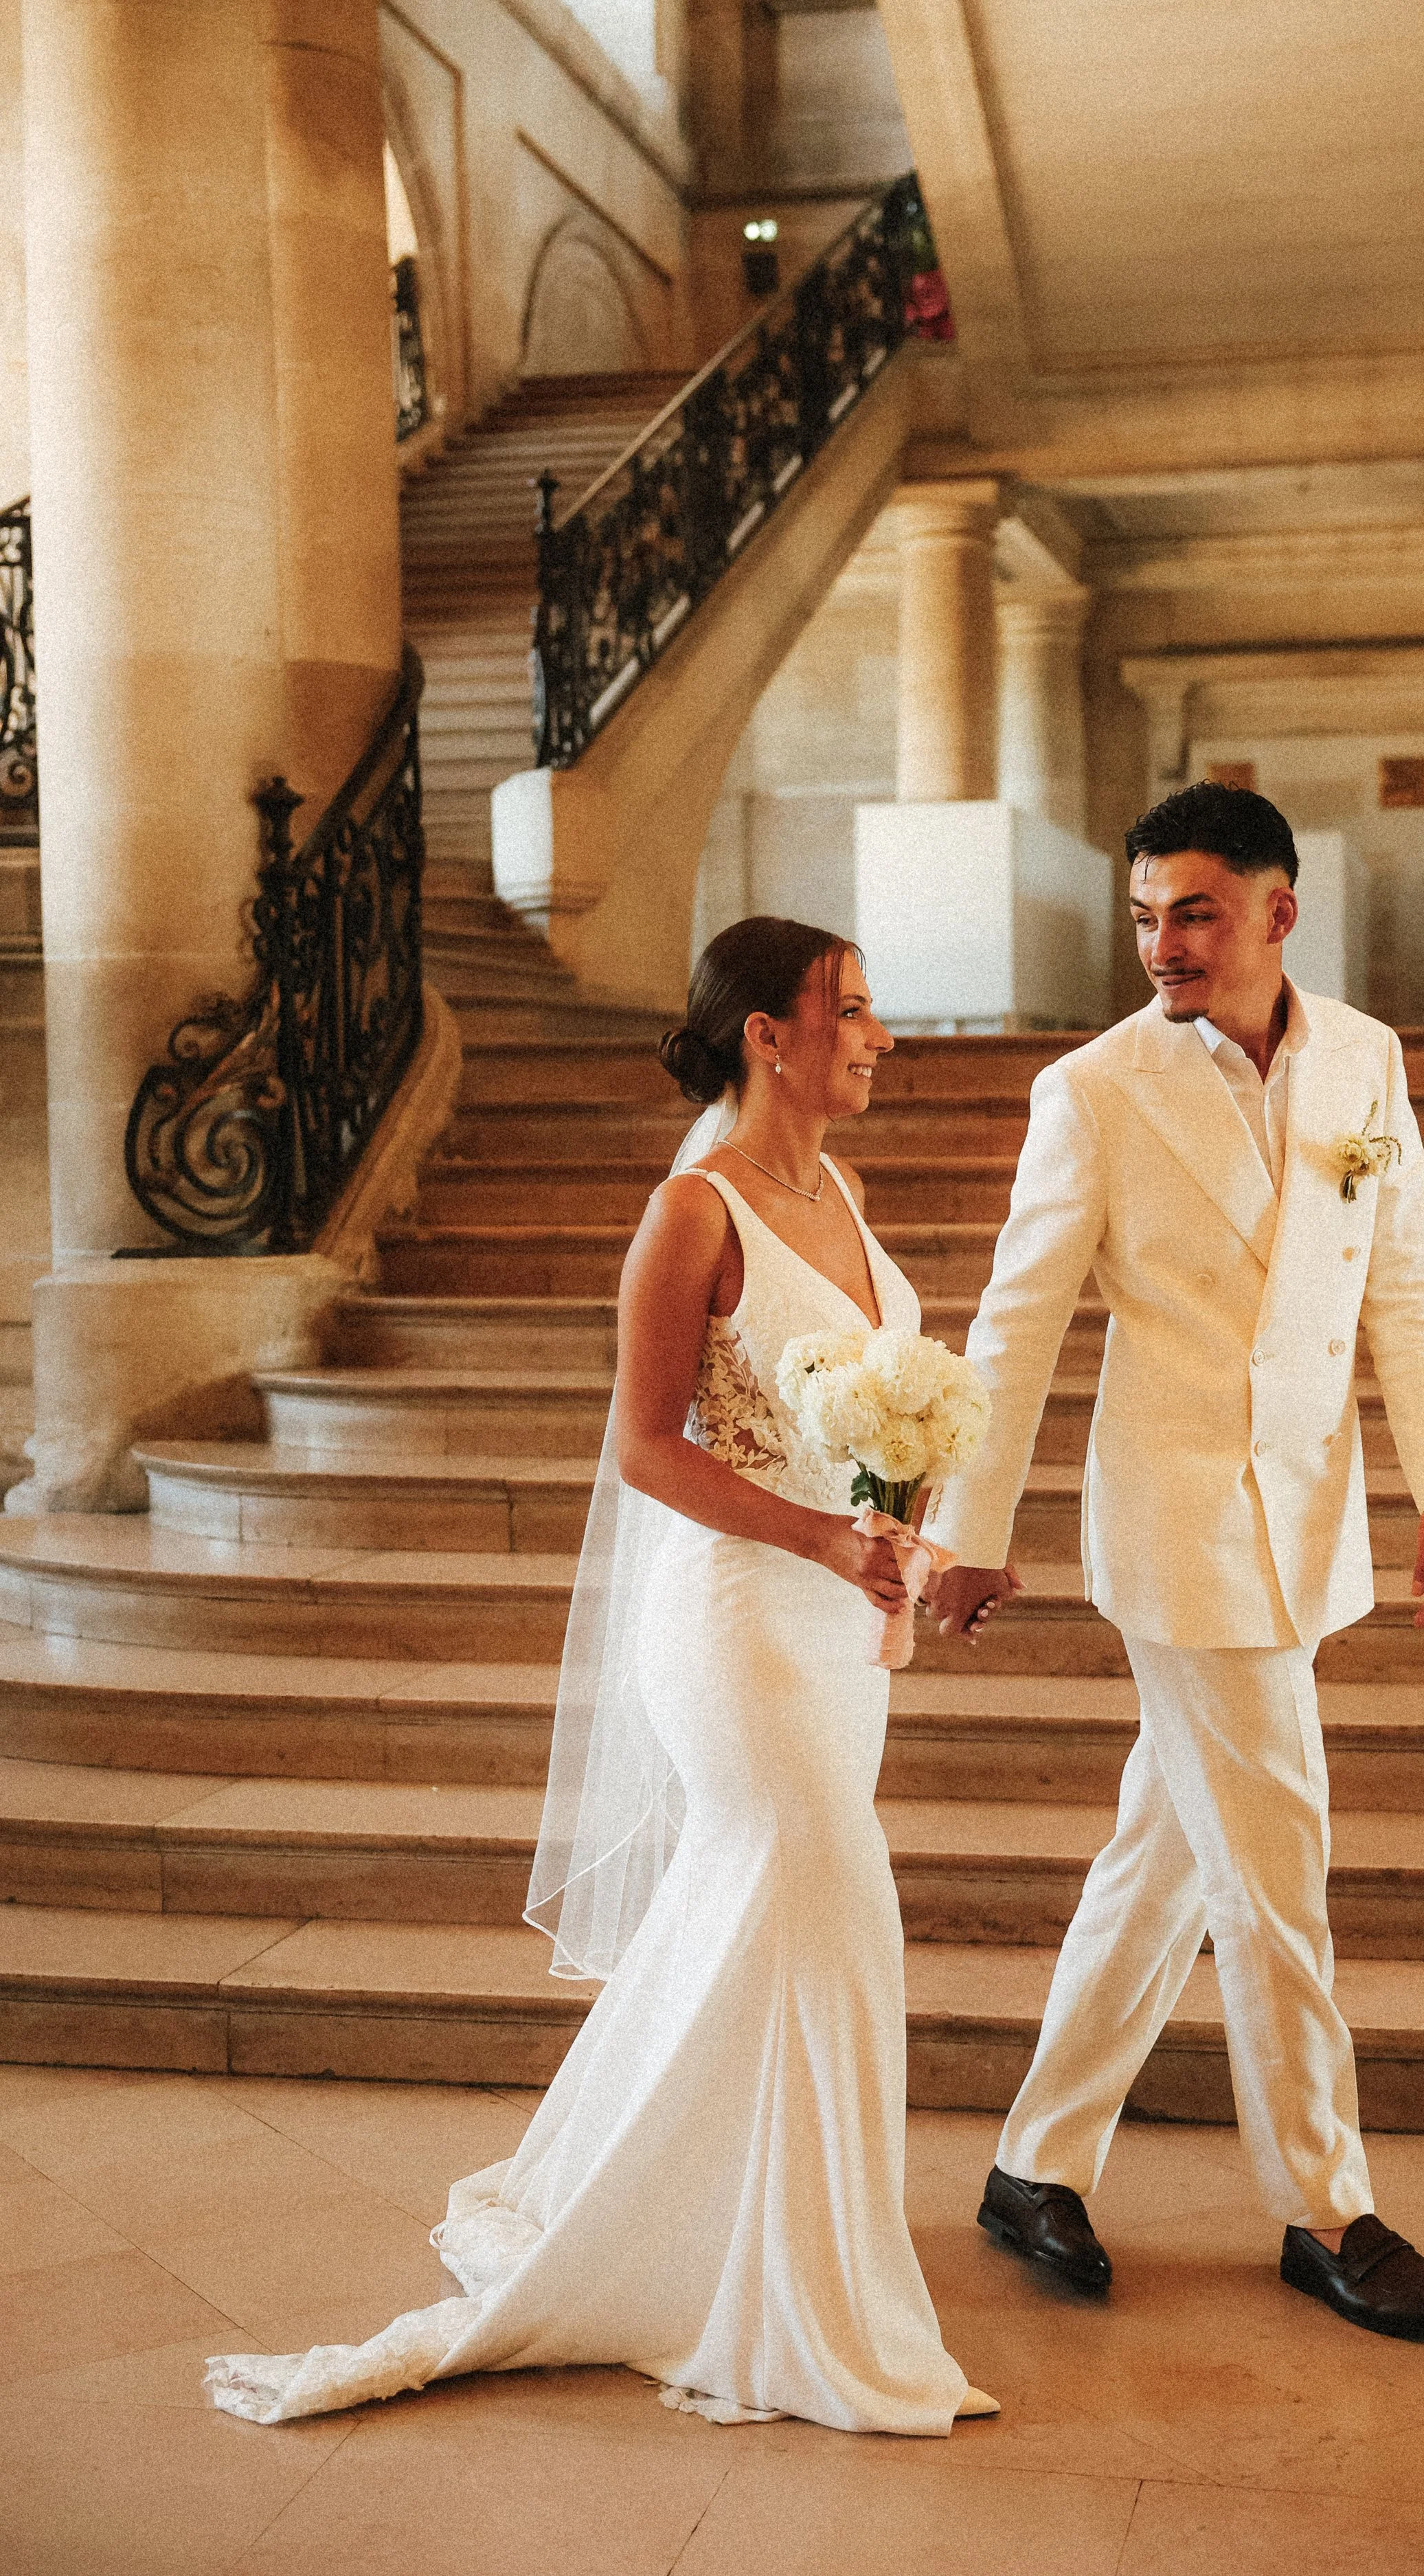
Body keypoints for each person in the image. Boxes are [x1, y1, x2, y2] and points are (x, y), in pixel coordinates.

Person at [207, 917, 996, 2432]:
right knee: (832, 1906)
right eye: (853, 1009)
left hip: (835, 1622)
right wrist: (826, 1544)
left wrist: (908, 1542)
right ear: (769, 1032)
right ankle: (798, 2291)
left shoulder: (836, 1189)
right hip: (736, 1622)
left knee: (748, 1911)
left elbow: (859, 1433)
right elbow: (641, 1450)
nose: (877, 1035)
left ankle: (684, 2218)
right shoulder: (690, 1214)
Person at [929, 784, 1424, 2344]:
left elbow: (1408, 1287)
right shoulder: (1092, 1090)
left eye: (1192, 913)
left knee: (1162, 1853)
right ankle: (1327, 2207)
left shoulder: (1364, 1058)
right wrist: (971, 1530)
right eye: (1142, 916)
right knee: (1275, 1876)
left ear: (1274, 915)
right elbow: (1018, 1322)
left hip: (1304, 1521)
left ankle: (1033, 2162)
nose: (1161, 945)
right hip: (1177, 1533)